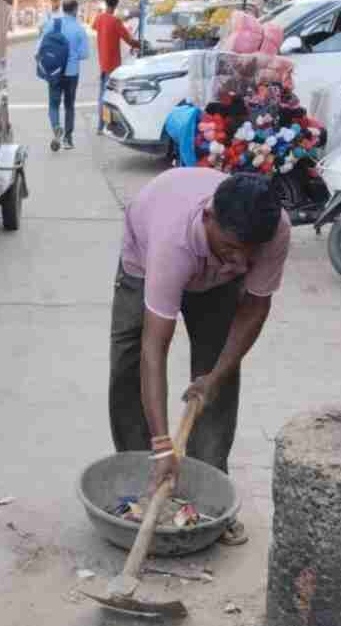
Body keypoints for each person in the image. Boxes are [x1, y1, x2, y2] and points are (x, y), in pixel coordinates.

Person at [108, 169, 290, 547]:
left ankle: (210, 500)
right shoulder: (171, 243)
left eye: (249, 252)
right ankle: (148, 482)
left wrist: (215, 376)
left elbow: (255, 308)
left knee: (218, 370)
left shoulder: (272, 231)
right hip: (145, 258)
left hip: (215, 281)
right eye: (231, 248)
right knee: (129, 363)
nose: (241, 261)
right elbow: (153, 348)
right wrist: (163, 443)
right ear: (209, 218)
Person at [92, 0, 141, 136]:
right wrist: (139, 44)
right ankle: (107, 125)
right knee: (112, 96)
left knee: (102, 94)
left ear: (106, 0)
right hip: (113, 66)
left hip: (103, 63)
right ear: (117, 2)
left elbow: (95, 27)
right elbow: (129, 40)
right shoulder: (115, 21)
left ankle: (101, 126)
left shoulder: (99, 18)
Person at [45, 0, 89, 151]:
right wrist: (73, 54)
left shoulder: (52, 24)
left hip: (55, 71)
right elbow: (84, 54)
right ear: (75, 10)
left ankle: (56, 128)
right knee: (69, 105)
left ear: (63, 9)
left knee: (53, 104)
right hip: (71, 72)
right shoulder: (79, 29)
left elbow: (41, 47)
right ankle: (68, 140)